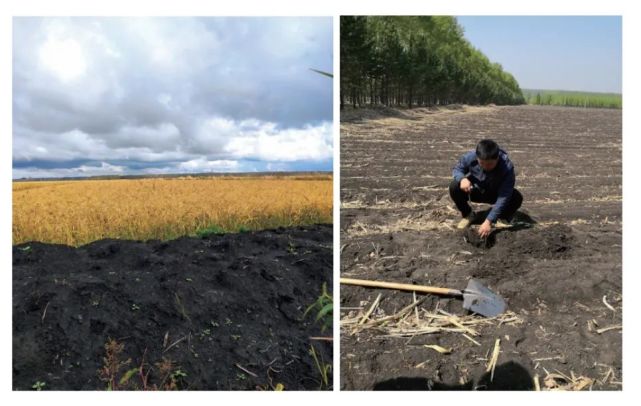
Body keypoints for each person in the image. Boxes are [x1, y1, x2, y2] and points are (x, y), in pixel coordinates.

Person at [449, 139, 523, 238]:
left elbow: (503, 197)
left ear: (497, 158)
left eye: (490, 164)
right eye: (482, 163)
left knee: (516, 197)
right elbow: (457, 169)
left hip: (495, 193)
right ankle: (468, 214)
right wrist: (462, 179)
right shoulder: (470, 157)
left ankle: (501, 218)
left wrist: (489, 221)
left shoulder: (507, 167)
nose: (485, 167)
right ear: (477, 157)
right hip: (475, 190)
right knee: (454, 186)